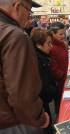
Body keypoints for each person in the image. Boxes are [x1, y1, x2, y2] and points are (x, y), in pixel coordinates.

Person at [0, 0, 49, 133]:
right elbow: (21, 95)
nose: (30, 16)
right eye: (29, 10)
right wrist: (40, 118)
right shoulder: (14, 35)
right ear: (17, 6)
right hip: (15, 122)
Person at [31, 28, 59, 134]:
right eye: (49, 43)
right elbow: (43, 85)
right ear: (39, 44)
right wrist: (54, 91)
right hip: (41, 104)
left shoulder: (43, 57)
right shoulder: (37, 60)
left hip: (44, 102)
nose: (51, 46)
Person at [49, 22, 69, 113]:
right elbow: (53, 67)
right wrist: (61, 76)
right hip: (59, 81)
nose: (63, 36)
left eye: (64, 33)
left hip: (64, 78)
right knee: (60, 104)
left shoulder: (61, 43)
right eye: (60, 34)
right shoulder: (51, 47)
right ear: (53, 34)